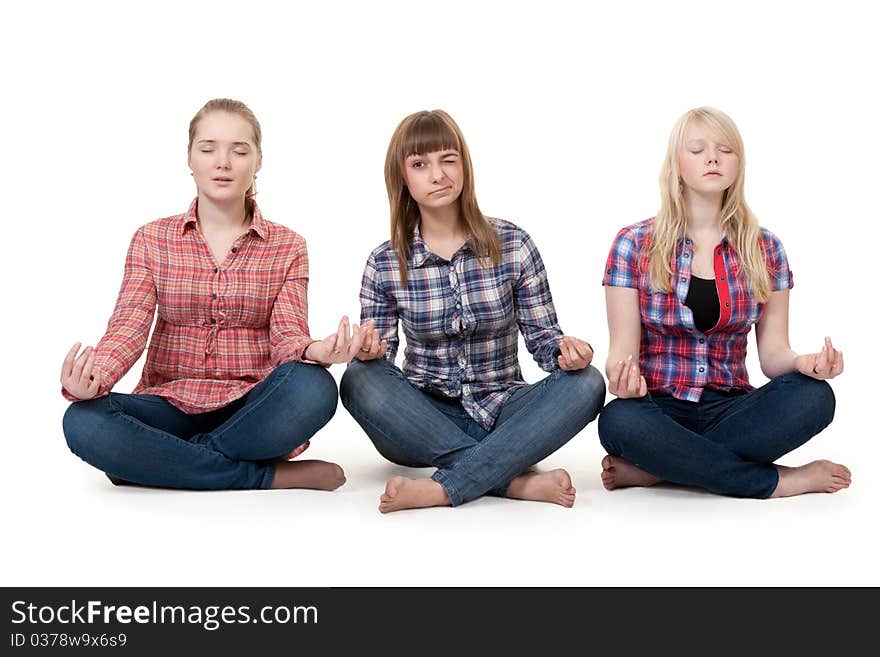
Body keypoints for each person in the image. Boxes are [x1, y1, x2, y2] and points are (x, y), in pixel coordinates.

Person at [61, 98, 364, 491]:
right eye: (208, 149)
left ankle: (158, 460)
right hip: (169, 402)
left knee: (316, 388)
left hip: (253, 407)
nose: (223, 162)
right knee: (82, 420)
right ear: (190, 159)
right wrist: (94, 377)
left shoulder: (289, 246)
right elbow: (127, 329)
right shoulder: (151, 240)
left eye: (239, 151)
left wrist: (315, 351)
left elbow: (287, 334)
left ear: (258, 162)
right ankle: (261, 475)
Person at [340, 109, 605, 513]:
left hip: (506, 411)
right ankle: (512, 482)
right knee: (359, 379)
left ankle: (443, 487)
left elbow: (543, 338)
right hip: (421, 420)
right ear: (403, 179)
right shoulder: (385, 262)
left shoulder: (513, 243)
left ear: (464, 166)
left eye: (448, 159)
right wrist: (368, 350)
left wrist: (566, 353)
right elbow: (382, 360)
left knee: (586, 383)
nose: (438, 174)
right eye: (420, 164)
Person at [598, 106, 850, 499]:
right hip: (659, 409)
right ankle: (780, 482)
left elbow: (773, 356)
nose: (712, 157)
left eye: (724, 149)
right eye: (697, 149)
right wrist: (622, 379)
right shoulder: (633, 244)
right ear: (676, 164)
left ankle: (664, 470)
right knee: (617, 421)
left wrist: (805, 364)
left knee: (815, 397)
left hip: (731, 408)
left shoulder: (766, 248)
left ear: (738, 164)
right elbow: (621, 355)